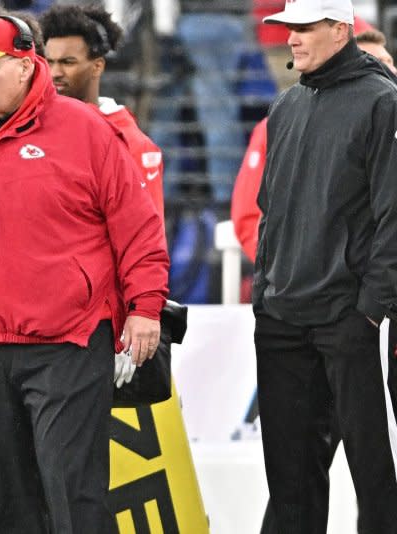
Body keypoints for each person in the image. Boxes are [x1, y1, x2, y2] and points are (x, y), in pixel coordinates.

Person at [0, 15, 169, 533]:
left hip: (66, 343)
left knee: (72, 496)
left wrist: (145, 308)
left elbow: (137, 227)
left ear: (26, 64)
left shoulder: (85, 130)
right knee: (9, 507)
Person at [253, 0, 397, 531]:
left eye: (304, 28)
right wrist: (263, 292)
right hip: (281, 319)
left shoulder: (383, 101)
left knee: (371, 470)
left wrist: (369, 309)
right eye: (287, 27)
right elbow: (270, 209)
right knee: (288, 477)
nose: (290, 38)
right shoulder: (285, 106)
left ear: (341, 30)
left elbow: (394, 215)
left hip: (346, 318)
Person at [231, 27, 397, 264]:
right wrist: (278, 273)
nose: (387, 70)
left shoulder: (388, 113)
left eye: (389, 61)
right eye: (376, 61)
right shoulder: (281, 121)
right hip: (328, 284)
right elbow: (250, 216)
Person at [39, 4, 164, 216]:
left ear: (97, 66)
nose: (55, 72)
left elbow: (148, 237)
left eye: (68, 62)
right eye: (49, 62)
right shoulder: (30, 127)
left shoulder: (130, 143)